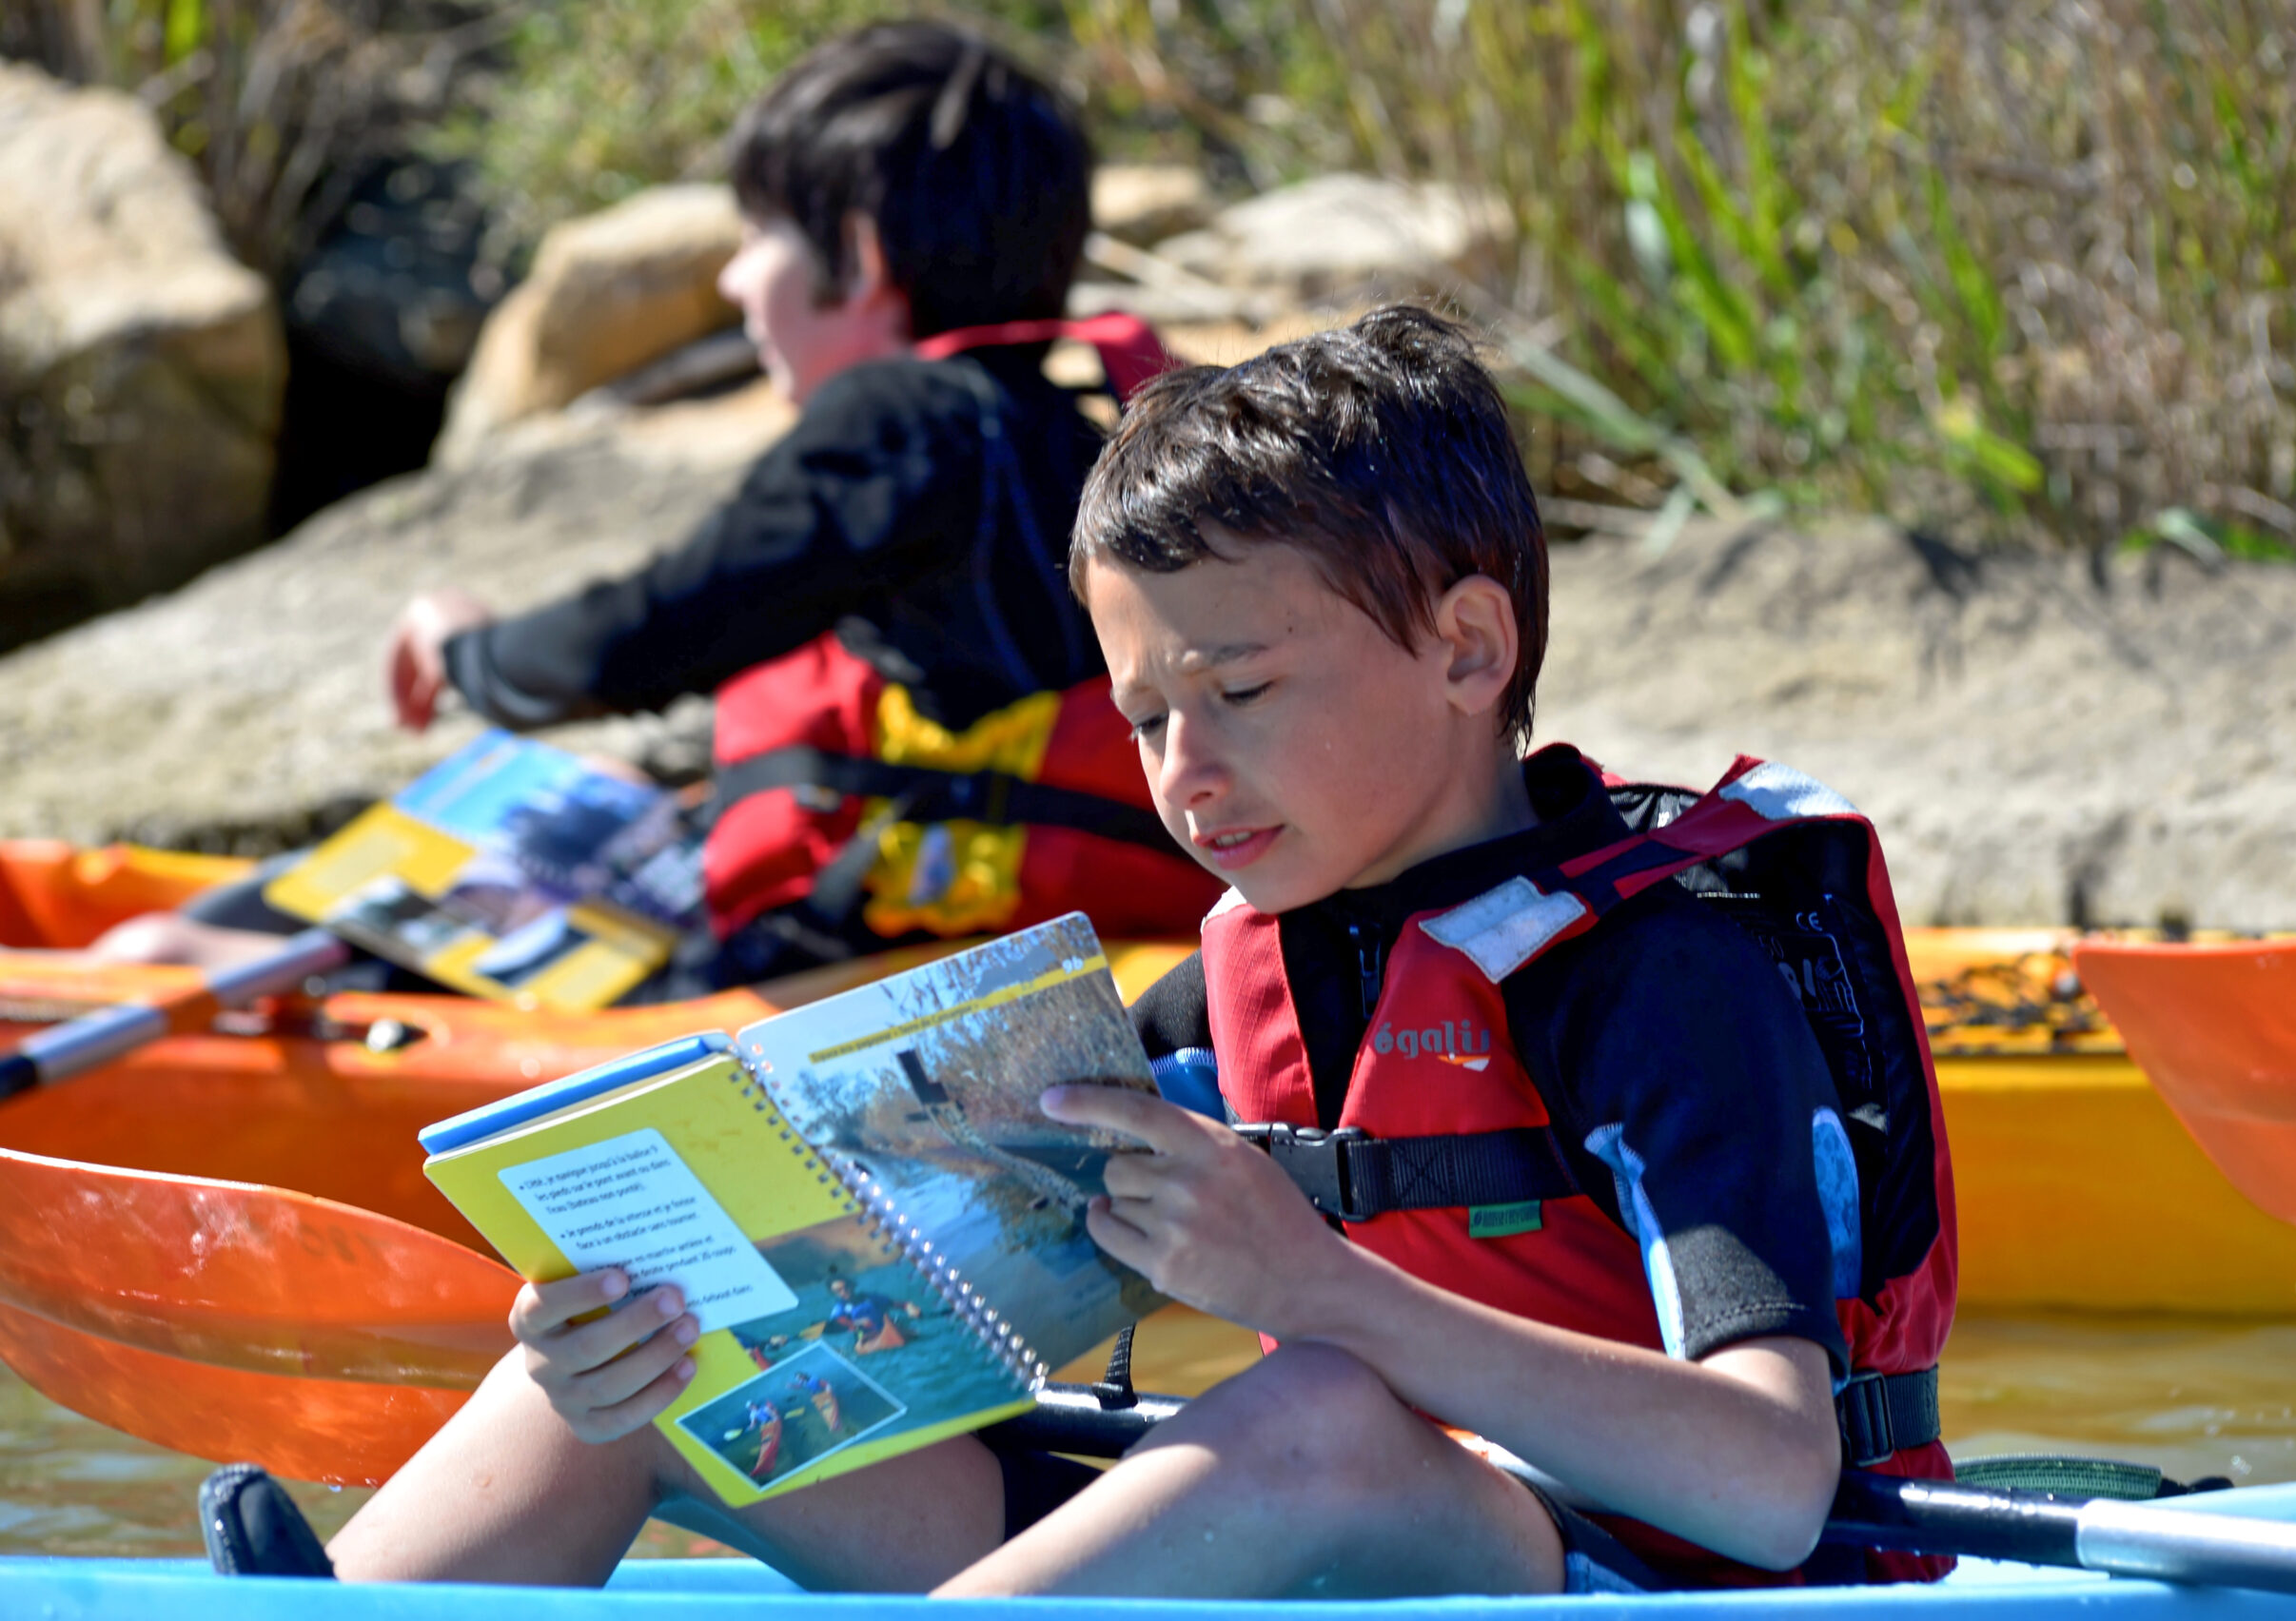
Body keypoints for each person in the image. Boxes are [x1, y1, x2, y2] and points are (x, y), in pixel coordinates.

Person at [200, 307, 1956, 1596]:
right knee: (669, 1360)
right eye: (1143, 712)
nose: (1187, 769)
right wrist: (669, 1310)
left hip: (1646, 1579)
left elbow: (1770, 1480)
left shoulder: (1667, 982)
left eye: (1242, 689)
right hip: (1335, 1545)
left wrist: (1321, 1290)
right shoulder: (1227, 987)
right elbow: (936, 1298)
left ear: (1468, 646)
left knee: (1323, 1404)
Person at [119, 20, 1218, 991]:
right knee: (604, 788)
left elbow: (646, 636)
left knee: (169, 956)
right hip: (1028, 882)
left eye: (757, 239)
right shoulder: (1081, 411)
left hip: (867, 946)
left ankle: (176, 981)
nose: (735, 283)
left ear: (862, 258)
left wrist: (471, 655)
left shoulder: (899, 422)